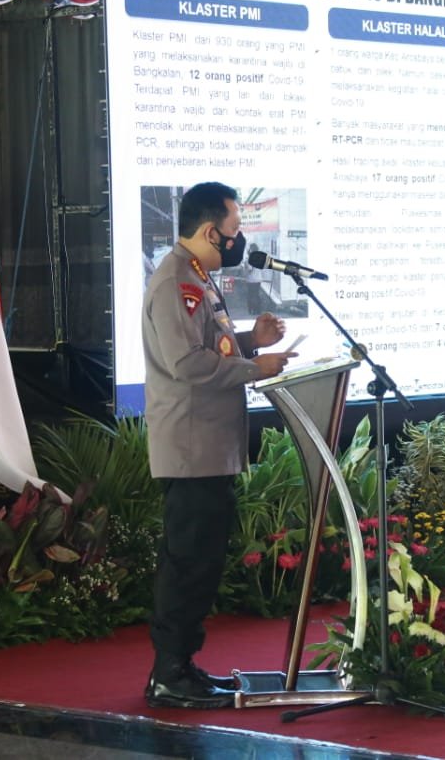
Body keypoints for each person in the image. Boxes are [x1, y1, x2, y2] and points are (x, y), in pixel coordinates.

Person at [141, 181, 295, 709]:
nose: (239, 239)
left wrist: (254, 341)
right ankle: (169, 674)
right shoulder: (175, 283)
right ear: (211, 231)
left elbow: (209, 345)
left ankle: (184, 667)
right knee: (187, 562)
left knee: (201, 560)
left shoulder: (198, 278)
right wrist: (256, 368)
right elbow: (187, 364)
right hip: (190, 448)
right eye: (234, 230)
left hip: (208, 446)